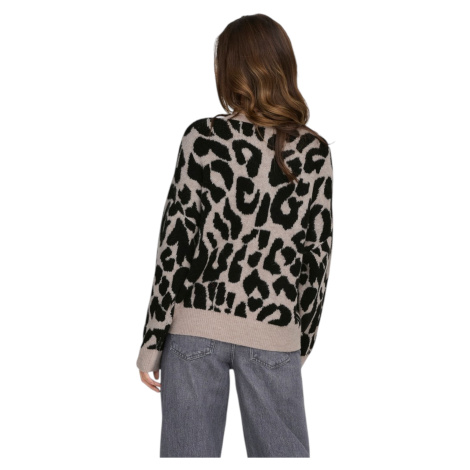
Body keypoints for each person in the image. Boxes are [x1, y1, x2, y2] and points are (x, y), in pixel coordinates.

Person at [136, 13, 334, 458]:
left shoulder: (202, 138)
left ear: (228, 69)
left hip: (194, 328)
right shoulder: (313, 150)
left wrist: (152, 342)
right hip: (273, 330)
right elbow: (316, 259)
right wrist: (298, 343)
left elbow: (174, 245)